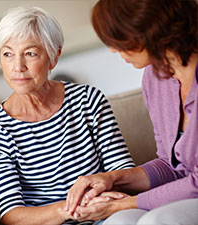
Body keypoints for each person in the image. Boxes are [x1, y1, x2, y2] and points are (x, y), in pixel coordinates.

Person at [0, 6, 135, 225]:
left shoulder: (88, 101)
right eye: (8, 54)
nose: (18, 66)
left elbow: (124, 173)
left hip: (107, 217)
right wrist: (71, 209)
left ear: (54, 56)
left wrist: (101, 200)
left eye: (30, 53)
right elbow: (13, 216)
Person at [65, 0, 198, 224]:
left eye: (119, 39)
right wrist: (112, 178)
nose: (113, 49)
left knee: (155, 221)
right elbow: (170, 164)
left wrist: (121, 203)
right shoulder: (155, 78)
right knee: (120, 221)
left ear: (150, 29)